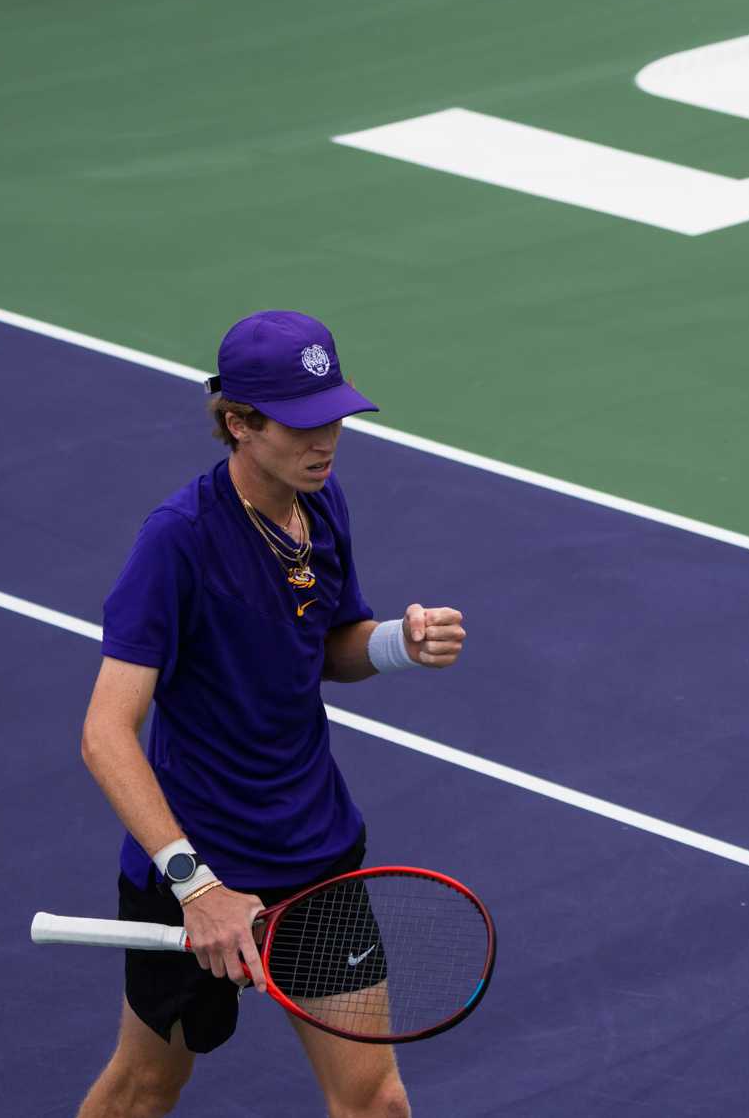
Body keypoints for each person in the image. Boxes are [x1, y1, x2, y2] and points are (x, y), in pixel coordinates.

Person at [74, 310, 467, 1118]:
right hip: (198, 870)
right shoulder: (175, 543)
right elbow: (105, 733)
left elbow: (323, 647)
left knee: (376, 1102)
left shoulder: (319, 507)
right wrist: (196, 884)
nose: (326, 440)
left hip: (316, 854)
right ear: (240, 422)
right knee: (144, 1090)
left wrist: (400, 641)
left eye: (335, 418)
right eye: (302, 423)